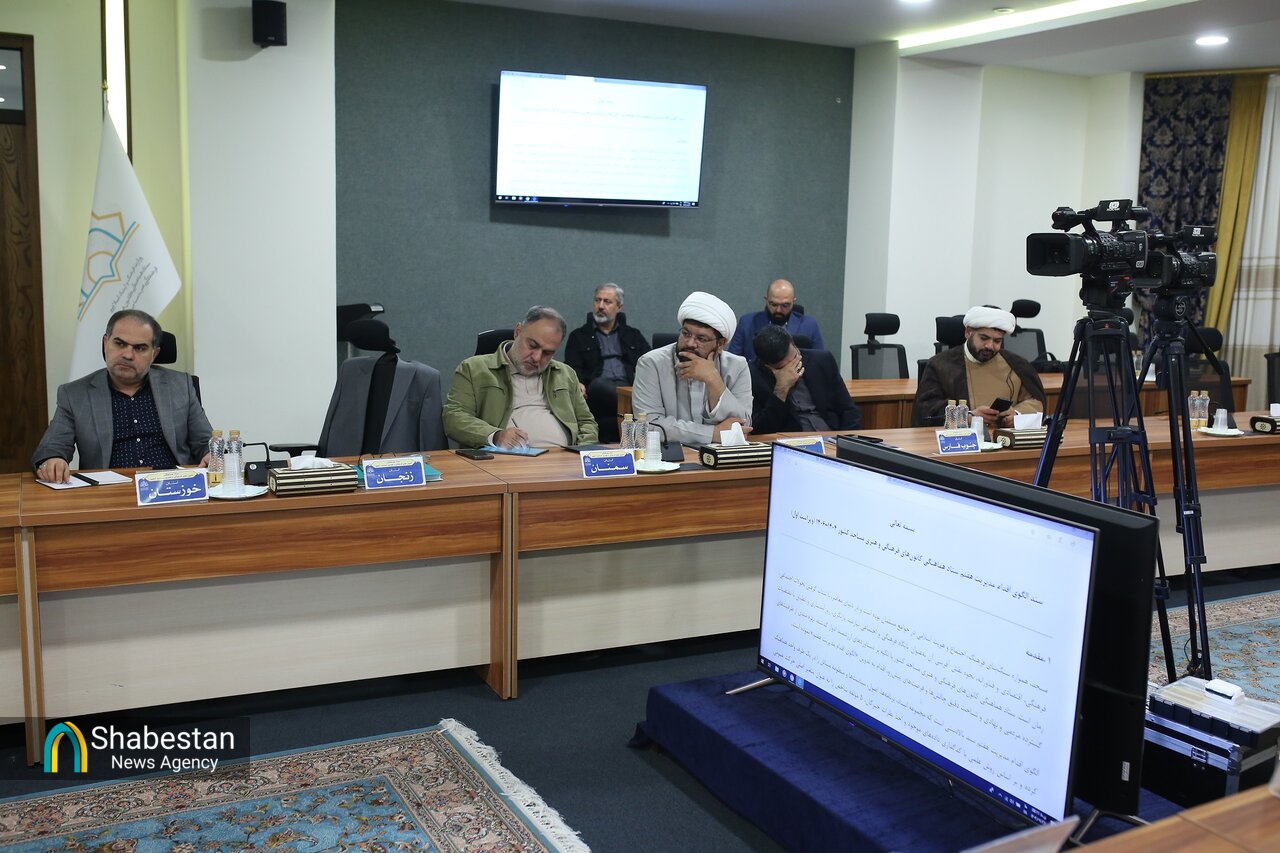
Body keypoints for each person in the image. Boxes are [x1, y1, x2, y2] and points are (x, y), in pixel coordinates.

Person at [32, 309, 212, 483]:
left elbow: (205, 442)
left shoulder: (181, 385)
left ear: (154, 354)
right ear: (106, 343)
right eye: (119, 344)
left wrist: (210, 454)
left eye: (140, 348)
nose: (127, 354)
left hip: (173, 487)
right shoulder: (75, 394)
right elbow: (52, 447)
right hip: (109, 493)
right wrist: (53, 460)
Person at [443, 305, 597, 449]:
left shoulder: (565, 374)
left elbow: (586, 422)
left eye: (547, 353)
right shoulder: (473, 368)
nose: (536, 357)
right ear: (518, 331)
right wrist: (495, 436)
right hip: (504, 459)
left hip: (563, 460)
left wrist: (581, 452)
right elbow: (454, 417)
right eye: (532, 345)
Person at [632, 291, 752, 444]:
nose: (690, 343)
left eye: (701, 339)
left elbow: (742, 426)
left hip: (721, 455)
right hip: (667, 455)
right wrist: (712, 434)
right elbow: (647, 426)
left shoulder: (737, 366)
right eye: (686, 334)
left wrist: (713, 379)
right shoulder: (651, 363)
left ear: (720, 344)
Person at [911, 305, 1046, 428]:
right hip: (961, 440)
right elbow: (926, 410)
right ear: (968, 333)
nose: (990, 346)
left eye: (997, 341)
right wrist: (968, 417)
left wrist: (1017, 414)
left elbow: (1036, 401)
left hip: (1005, 440)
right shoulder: (940, 365)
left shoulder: (1017, 365)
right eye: (984, 338)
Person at [563, 283, 650, 442]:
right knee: (600, 385)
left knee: (635, 392)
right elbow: (571, 368)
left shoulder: (633, 335)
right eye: (597, 300)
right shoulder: (579, 336)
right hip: (597, 391)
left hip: (629, 387)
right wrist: (578, 382)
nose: (601, 306)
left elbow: (649, 363)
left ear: (619, 307)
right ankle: (636, 408)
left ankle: (631, 406)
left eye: (607, 302)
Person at [749, 326, 861, 434]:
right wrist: (781, 389)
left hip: (830, 435)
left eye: (794, 359)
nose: (792, 368)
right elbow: (759, 429)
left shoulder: (822, 360)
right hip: (791, 441)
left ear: (794, 345)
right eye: (783, 367)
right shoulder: (751, 375)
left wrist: (846, 440)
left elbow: (849, 410)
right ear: (767, 364)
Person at [727, 278, 826, 360]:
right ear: (766, 300)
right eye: (773, 304)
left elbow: (819, 363)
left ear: (793, 301)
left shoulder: (809, 325)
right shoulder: (747, 323)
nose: (779, 310)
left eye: (785, 305)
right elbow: (733, 361)